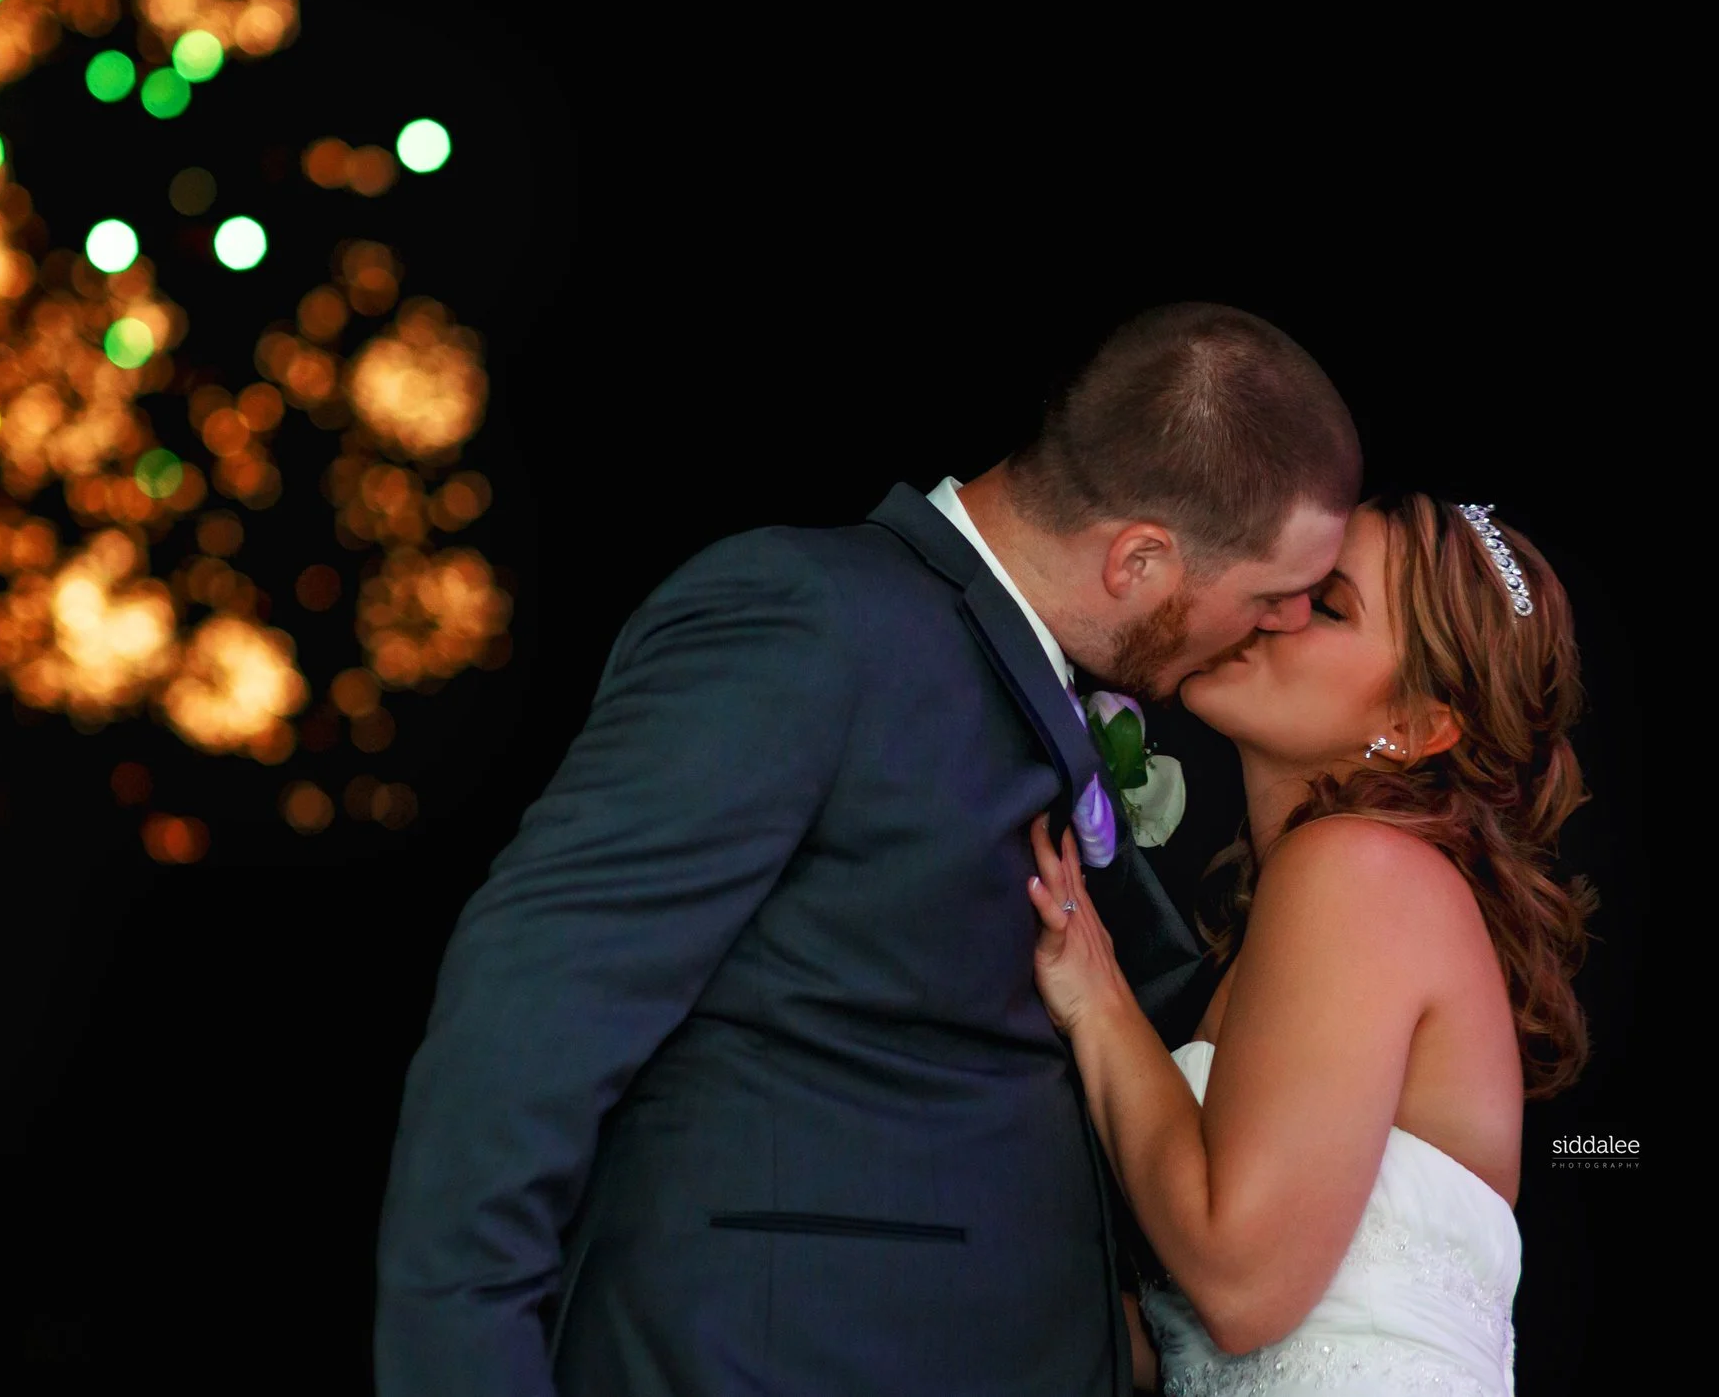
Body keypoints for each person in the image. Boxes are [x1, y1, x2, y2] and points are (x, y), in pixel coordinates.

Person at [376, 302, 1358, 1395]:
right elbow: (533, 998)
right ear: (1139, 558)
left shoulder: (1039, 697)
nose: (1277, 626)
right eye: (1270, 598)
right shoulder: (812, 617)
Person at [1025, 494, 1594, 1394]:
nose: (1276, 607)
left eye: (1326, 605)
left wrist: (1099, 1006)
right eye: (1285, 579)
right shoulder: (1366, 892)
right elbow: (1212, 1347)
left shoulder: (1360, 869)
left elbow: (1243, 1284)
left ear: (1414, 725)